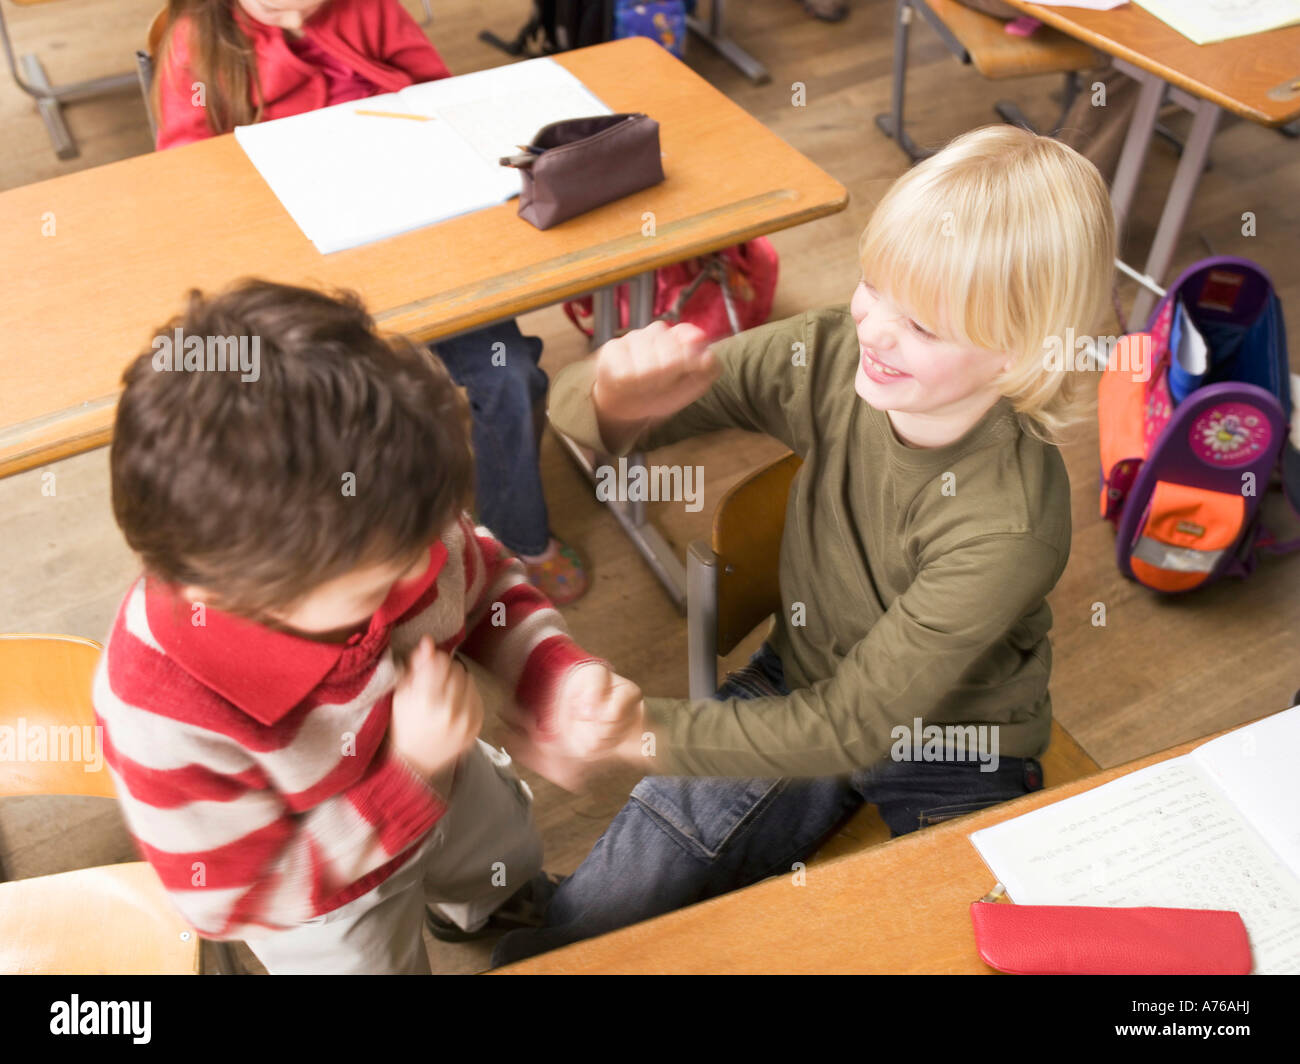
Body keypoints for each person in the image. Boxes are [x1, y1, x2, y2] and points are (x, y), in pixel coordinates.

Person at [493, 124, 1117, 964]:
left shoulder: (1009, 525)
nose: (874, 327)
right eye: (873, 284)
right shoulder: (826, 352)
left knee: (961, 948)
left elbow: (857, 727)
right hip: (801, 683)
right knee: (580, 934)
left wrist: (635, 734)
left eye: (922, 324)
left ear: (1020, 357)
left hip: (956, 743)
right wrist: (608, 392)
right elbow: (589, 418)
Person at [93, 279, 641, 973]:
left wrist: (555, 676)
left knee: (499, 854)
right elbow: (235, 896)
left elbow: (485, 585)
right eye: (385, 582)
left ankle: (486, 906)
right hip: (328, 905)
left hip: (446, 769)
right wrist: (408, 774)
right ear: (227, 591)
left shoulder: (386, 517)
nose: (430, 564)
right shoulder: (160, 711)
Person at [152, 0, 589, 601]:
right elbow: (185, 177)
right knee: (333, 419)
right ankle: (359, 567)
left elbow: (442, 99)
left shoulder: (370, 7)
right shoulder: (196, 41)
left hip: (419, 242)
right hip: (297, 274)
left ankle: (513, 537)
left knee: (509, 373)